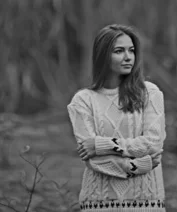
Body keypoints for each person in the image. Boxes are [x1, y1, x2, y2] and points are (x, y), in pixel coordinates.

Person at [67, 24, 167, 211]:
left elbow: (153, 144)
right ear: (103, 55)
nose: (128, 57)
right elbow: (93, 161)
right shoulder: (83, 100)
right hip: (99, 201)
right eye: (119, 51)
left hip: (145, 200)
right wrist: (141, 164)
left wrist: (101, 145)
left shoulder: (150, 93)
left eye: (132, 50)